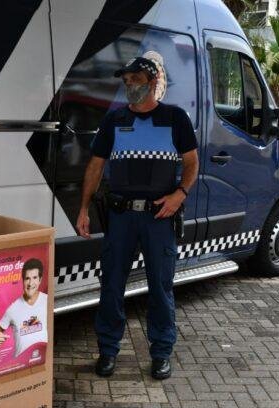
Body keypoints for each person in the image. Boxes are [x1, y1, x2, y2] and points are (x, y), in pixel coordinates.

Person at [75, 51, 199, 380]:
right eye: (127, 81)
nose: (131, 86)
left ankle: (161, 353)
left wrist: (179, 195)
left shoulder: (175, 118)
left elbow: (191, 162)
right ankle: (108, 350)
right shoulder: (114, 120)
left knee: (160, 287)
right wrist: (83, 208)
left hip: (159, 217)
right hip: (121, 218)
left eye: (137, 81)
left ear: (153, 82)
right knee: (111, 285)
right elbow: (95, 166)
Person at [0, 258, 48, 358]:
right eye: (27, 278)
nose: (30, 283)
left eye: (34, 277)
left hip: (41, 359)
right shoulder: (13, 309)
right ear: (23, 280)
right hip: (20, 362)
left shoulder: (47, 300)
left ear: (40, 280)